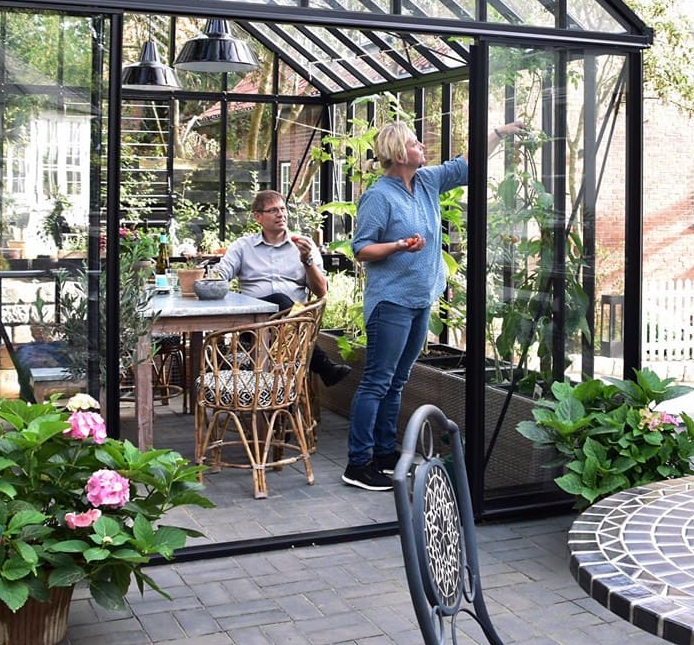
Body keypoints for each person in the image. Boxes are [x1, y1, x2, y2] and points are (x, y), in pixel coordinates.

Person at [342, 118, 524, 490]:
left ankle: (384, 453)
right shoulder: (379, 196)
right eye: (414, 143)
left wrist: (501, 133)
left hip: (421, 299)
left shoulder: (426, 182)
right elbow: (362, 249)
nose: (422, 146)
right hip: (390, 303)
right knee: (377, 382)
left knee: (397, 382)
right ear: (397, 152)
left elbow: (467, 165)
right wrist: (396, 246)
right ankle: (358, 463)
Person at [213, 190, 351, 386]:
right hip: (254, 326)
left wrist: (307, 260)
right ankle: (323, 366)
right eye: (273, 210)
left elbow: (321, 291)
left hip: (295, 322)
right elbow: (221, 274)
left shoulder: (304, 245)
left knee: (283, 303)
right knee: (280, 301)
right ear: (258, 217)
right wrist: (210, 276)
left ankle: (283, 386)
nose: (281, 214)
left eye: (283, 209)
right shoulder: (243, 246)